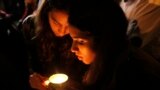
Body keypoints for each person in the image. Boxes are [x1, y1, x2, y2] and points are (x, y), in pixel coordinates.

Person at [68, 0, 160, 90]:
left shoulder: (130, 74)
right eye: (72, 39)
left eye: (80, 41)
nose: (73, 48)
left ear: (105, 39)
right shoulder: (105, 65)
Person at [22, 0, 87, 90]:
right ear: (46, 13)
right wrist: (33, 76)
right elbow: (24, 61)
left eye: (68, 26)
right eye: (56, 23)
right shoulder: (30, 27)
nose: (62, 31)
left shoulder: (79, 38)